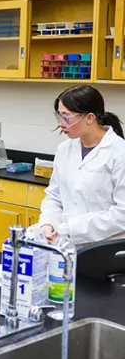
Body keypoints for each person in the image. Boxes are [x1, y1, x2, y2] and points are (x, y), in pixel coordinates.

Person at [40, 85, 125, 248]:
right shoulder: (64, 149)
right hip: (65, 244)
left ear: (90, 118)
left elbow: (122, 214)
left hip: (105, 248)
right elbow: (54, 196)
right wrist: (48, 223)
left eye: (67, 117)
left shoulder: (119, 153)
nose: (61, 123)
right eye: (58, 116)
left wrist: (72, 227)